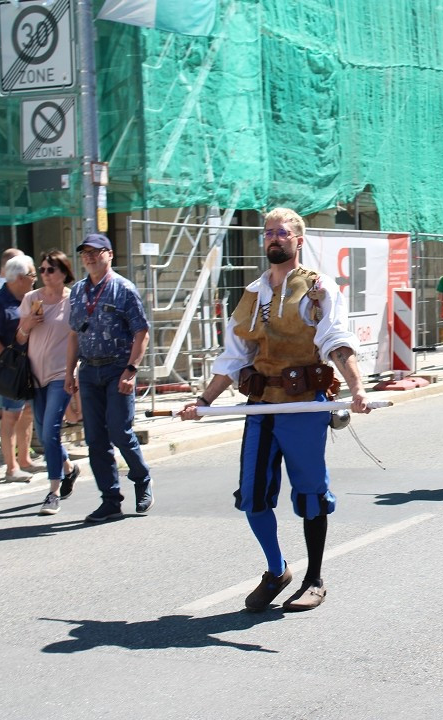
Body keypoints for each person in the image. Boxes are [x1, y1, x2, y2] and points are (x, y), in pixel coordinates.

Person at [179, 207, 371, 612]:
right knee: (252, 495)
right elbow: (233, 357)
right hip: (261, 407)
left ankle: (314, 579)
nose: (274, 238)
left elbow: (335, 340)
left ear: (298, 240)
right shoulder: (252, 294)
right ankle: (276, 569)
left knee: (311, 493)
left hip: (303, 406)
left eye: (282, 232)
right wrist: (202, 402)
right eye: (268, 232)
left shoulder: (319, 287)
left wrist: (357, 388)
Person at [64, 234, 153, 523]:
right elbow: (74, 334)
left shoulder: (123, 289)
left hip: (118, 368)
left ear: (109, 255)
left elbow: (142, 332)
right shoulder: (77, 292)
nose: (89, 257)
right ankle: (110, 499)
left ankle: (141, 478)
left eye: (96, 252)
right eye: (85, 253)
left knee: (119, 430)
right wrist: (69, 372)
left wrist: (131, 370)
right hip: (89, 370)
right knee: (95, 439)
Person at [17, 250, 81, 516]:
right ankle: (68, 469)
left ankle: (53, 492)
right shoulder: (32, 299)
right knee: (45, 433)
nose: (44, 274)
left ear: (64, 273)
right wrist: (27, 324)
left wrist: (73, 372)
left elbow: (77, 338)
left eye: (50, 270)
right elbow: (19, 339)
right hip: (34, 376)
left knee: (50, 431)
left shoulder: (73, 300)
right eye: (41, 270)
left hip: (60, 375)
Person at [0, 253, 39, 482]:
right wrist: (6, 362)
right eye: (31, 274)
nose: (35, 278)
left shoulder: (30, 298)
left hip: (31, 364)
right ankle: (11, 467)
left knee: (26, 413)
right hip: (11, 367)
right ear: (18, 277)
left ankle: (25, 459)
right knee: (10, 416)